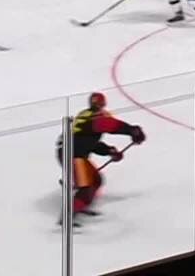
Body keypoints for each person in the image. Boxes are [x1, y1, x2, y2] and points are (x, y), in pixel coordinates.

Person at [55, 92, 145, 226]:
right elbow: (106, 124)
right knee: (86, 187)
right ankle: (67, 217)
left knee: (96, 180)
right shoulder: (93, 116)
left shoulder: (86, 118)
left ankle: (80, 205)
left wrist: (109, 151)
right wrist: (132, 130)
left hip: (73, 152)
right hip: (72, 154)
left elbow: (91, 143)